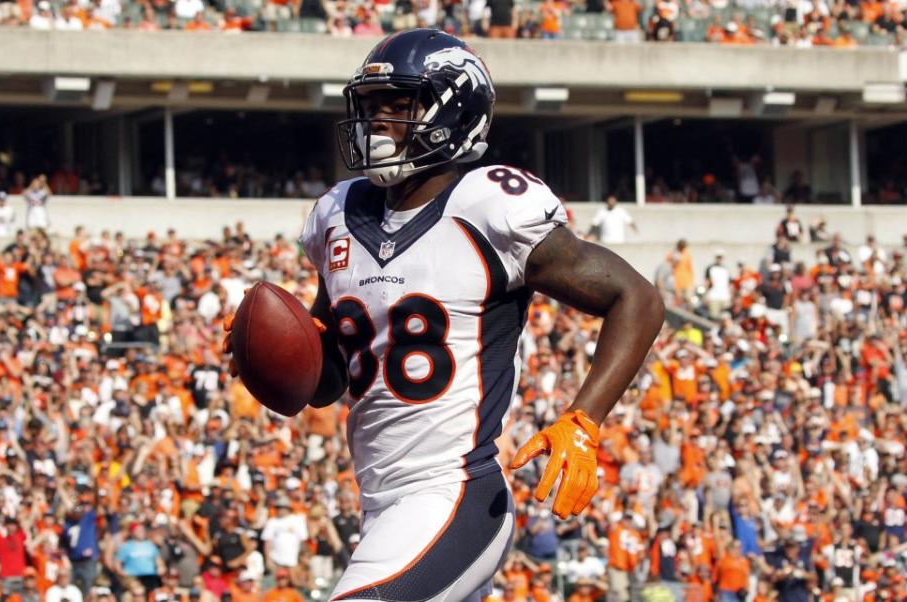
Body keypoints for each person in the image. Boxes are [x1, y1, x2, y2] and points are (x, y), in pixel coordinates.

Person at [223, 29, 663, 601]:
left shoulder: (487, 206)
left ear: (453, 110)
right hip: (379, 503)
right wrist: (271, 348)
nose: (377, 122)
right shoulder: (339, 214)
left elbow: (638, 298)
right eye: (371, 107)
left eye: (397, 105)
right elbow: (327, 383)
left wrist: (583, 421)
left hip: (456, 492)